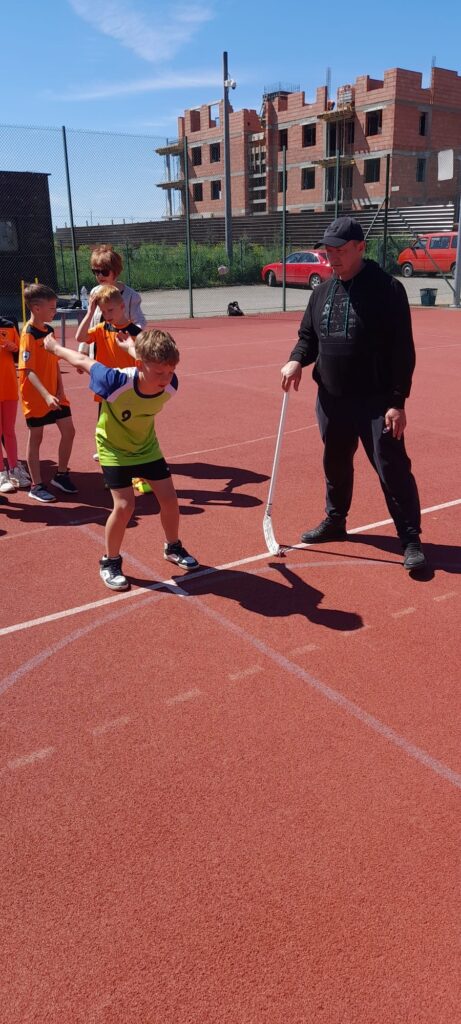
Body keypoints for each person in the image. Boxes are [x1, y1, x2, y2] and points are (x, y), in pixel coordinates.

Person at [280, 216, 426, 572]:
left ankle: (410, 540)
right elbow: (308, 337)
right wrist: (296, 360)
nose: (332, 258)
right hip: (332, 399)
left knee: (392, 468)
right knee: (335, 462)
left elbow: (402, 350)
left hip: (377, 402)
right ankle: (336, 521)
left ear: (361, 247)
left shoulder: (387, 289)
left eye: (340, 250)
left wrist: (397, 401)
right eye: (328, 251)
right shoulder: (321, 292)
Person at [43, 328, 199, 591]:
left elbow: (148, 361)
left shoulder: (171, 383)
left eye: (170, 371)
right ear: (139, 366)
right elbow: (83, 361)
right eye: (159, 373)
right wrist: (54, 348)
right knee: (125, 506)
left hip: (146, 447)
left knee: (170, 500)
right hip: (113, 448)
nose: (166, 378)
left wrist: (129, 347)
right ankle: (110, 561)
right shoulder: (114, 381)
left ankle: (173, 547)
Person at [18, 284, 77, 503]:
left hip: (55, 393)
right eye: (51, 308)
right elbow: (28, 370)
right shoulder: (28, 334)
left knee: (69, 431)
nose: (55, 311)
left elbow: (54, 363)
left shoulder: (49, 331)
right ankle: (36, 485)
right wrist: (45, 395)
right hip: (35, 396)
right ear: (36, 308)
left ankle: (61, 475)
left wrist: (60, 389)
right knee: (37, 436)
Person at [0, 316, 31, 492]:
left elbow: (21, 355)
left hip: (9, 386)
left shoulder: (9, 326)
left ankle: (14, 469)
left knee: (9, 431)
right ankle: (1, 473)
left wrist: (14, 348)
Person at [88, 244, 146, 328]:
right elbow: (91, 323)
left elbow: (140, 323)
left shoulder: (131, 296)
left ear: (116, 271)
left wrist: (128, 334)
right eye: (96, 272)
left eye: (105, 272)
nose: (100, 276)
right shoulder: (94, 292)